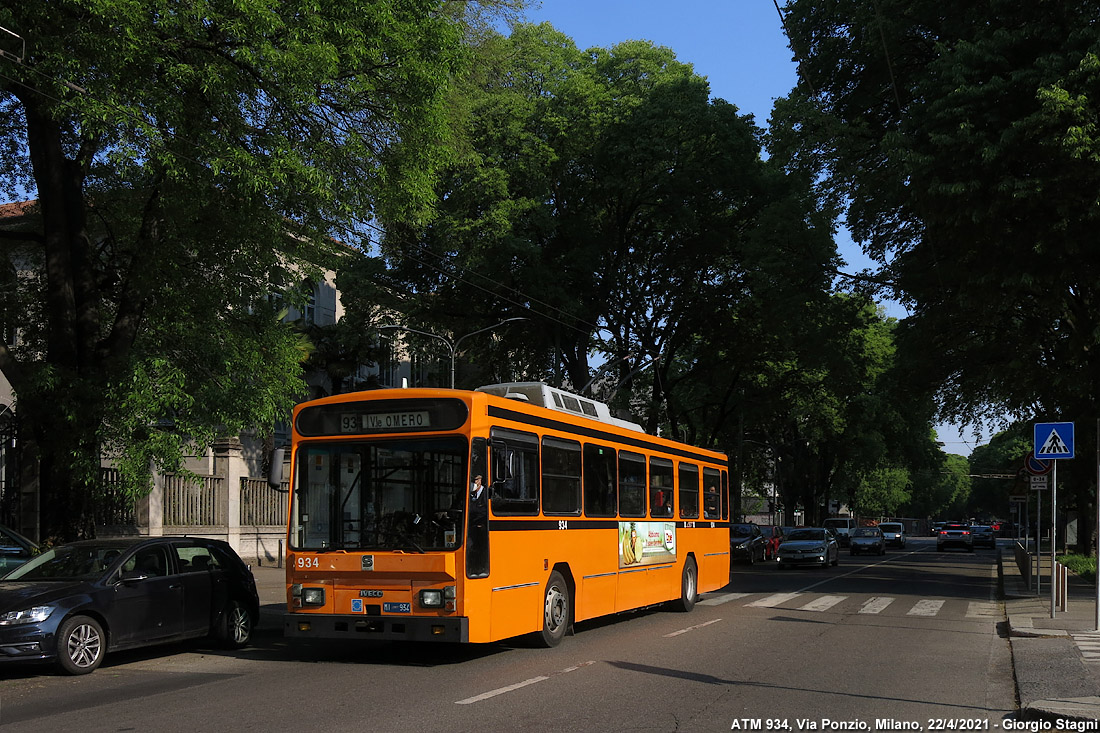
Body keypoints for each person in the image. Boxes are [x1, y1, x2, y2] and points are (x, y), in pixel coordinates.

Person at [466, 474, 489, 575]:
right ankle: (472, 569)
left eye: (475, 480)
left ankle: (480, 569)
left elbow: (486, 511)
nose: (473, 483)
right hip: (469, 527)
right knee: (469, 546)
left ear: (480, 480)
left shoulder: (486, 493)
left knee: (480, 548)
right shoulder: (468, 494)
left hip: (482, 527)